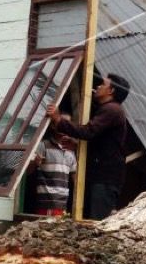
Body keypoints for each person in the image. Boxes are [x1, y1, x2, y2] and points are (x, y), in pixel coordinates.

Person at [46, 73, 129, 220]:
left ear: (111, 91)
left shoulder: (111, 110)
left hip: (105, 178)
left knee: (98, 221)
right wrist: (76, 144)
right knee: (94, 218)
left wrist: (59, 120)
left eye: (102, 84)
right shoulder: (111, 110)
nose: (97, 86)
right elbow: (101, 143)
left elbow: (88, 131)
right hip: (103, 177)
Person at [28, 126, 77, 216]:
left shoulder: (71, 150)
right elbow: (28, 171)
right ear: (54, 126)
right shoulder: (43, 145)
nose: (64, 126)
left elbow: (75, 178)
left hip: (63, 204)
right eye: (61, 123)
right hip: (47, 203)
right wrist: (34, 163)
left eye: (66, 124)